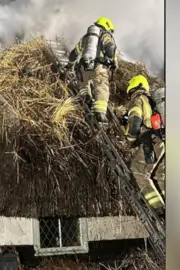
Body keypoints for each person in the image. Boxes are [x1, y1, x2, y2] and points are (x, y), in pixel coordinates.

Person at [123, 75, 165, 214]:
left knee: (139, 171)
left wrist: (129, 140)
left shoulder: (138, 99)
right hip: (163, 141)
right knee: (161, 175)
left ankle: (159, 208)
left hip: (152, 142)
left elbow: (135, 122)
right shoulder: (152, 101)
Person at [66, 17, 118, 123]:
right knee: (101, 87)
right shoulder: (105, 35)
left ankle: (86, 98)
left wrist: (70, 64)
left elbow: (75, 52)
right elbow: (110, 47)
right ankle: (100, 114)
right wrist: (111, 60)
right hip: (98, 66)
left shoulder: (87, 37)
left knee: (84, 85)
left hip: (84, 66)